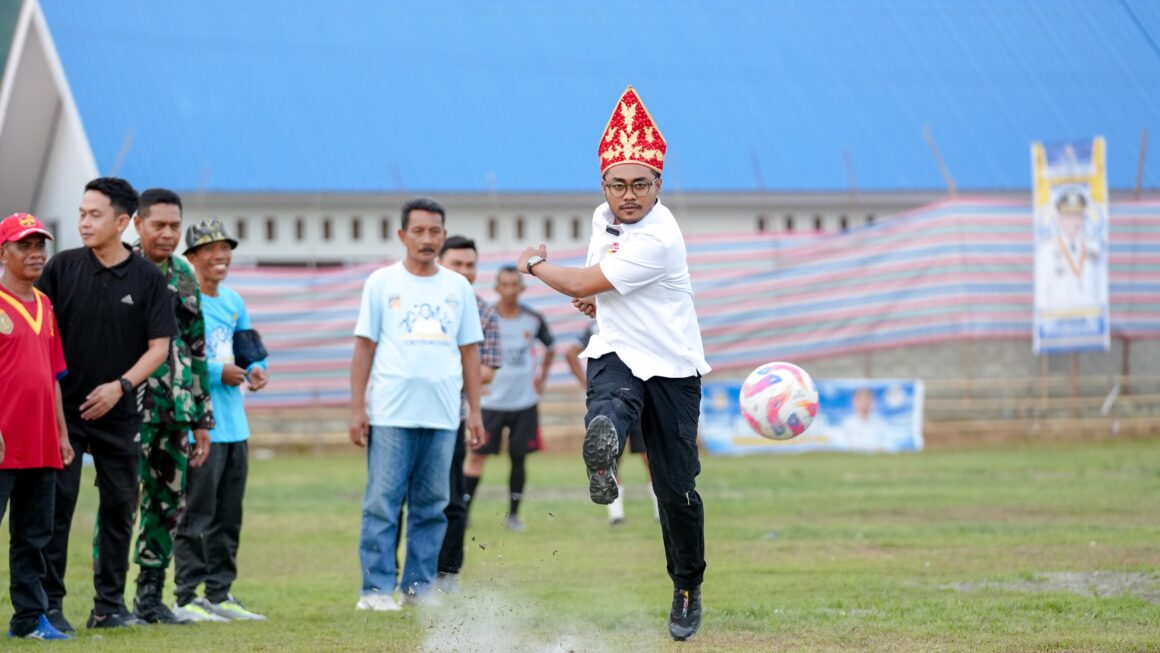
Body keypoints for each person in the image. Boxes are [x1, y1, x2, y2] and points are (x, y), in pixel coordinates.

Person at [516, 86, 711, 641]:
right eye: (619, 184)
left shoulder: (661, 237)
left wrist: (534, 264)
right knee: (609, 398)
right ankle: (604, 443)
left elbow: (579, 279)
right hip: (619, 350)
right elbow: (594, 285)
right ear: (604, 185)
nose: (628, 195)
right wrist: (594, 298)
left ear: (659, 185)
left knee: (676, 492)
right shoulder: (602, 217)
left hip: (672, 367)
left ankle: (687, 585)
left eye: (640, 184)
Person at [36, 177, 176, 631]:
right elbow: (41, 333)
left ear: (122, 222)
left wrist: (120, 386)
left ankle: (109, 607)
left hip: (120, 412)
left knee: (119, 508)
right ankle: (49, 606)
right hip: (66, 413)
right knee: (58, 508)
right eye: (81, 213)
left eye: (94, 215)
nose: (84, 222)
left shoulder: (148, 278)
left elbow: (159, 347)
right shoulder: (61, 268)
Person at [350, 198, 485, 611]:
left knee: (433, 506)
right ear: (402, 235)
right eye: (419, 231)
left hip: (443, 414)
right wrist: (358, 407)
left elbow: (470, 352)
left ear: (443, 235)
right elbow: (364, 347)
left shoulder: (458, 287)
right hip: (391, 412)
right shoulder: (381, 283)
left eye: (435, 232)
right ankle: (375, 590)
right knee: (382, 503)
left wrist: (474, 411)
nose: (427, 239)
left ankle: (419, 587)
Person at [122, 189, 215, 624]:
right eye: (158, 225)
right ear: (137, 224)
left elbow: (198, 348)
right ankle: (108, 601)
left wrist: (201, 418)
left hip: (176, 410)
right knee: (121, 503)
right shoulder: (121, 270)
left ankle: (150, 598)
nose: (168, 233)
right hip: (132, 408)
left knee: (167, 504)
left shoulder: (183, 274)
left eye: (174, 225)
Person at [172, 219, 269, 622]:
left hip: (235, 425)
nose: (221, 256)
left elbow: (248, 349)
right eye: (210, 249)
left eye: (226, 248)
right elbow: (174, 354)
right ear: (191, 257)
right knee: (197, 512)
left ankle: (220, 593)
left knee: (229, 514)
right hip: (200, 424)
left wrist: (259, 368)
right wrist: (217, 372)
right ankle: (185, 596)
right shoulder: (181, 299)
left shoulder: (233, 301)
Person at [0, 213, 74, 640]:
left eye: (40, 245)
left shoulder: (45, 305)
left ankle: (29, 620)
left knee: (33, 537)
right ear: (3, 252)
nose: (35, 254)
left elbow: (52, 377)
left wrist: (62, 435)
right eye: (24, 245)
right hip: (2, 442)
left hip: (42, 441)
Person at [463, 265, 554, 533]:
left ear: (522, 288)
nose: (510, 290)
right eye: (505, 284)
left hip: (523, 403)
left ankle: (513, 516)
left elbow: (551, 346)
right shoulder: (485, 318)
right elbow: (468, 352)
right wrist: (475, 385)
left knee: (519, 458)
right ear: (497, 287)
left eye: (515, 284)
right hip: (490, 404)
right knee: (477, 457)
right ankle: (464, 513)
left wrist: (542, 378)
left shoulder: (533, 319)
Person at [434, 235, 501, 592]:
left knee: (452, 496)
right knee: (400, 499)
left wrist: (441, 372)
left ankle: (447, 573)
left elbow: (488, 369)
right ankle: (394, 580)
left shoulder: (484, 311)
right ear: (440, 262)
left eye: (470, 265)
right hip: (403, 414)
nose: (463, 271)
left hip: (452, 414)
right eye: (456, 263)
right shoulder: (422, 301)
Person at [566, 321, 657, 526]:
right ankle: (621, 513)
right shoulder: (597, 323)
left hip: (622, 394)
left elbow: (570, 352)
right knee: (613, 454)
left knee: (620, 456)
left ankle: (618, 514)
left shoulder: (608, 319)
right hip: (633, 393)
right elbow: (570, 353)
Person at [1035, 191, 1104, 309]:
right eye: (1068, 216)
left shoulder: (1094, 248)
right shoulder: (1046, 251)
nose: (1074, 222)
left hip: (1090, 319)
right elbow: (1043, 291)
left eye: (1078, 216)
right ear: (1058, 220)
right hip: (1057, 320)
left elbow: (1100, 286)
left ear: (1084, 219)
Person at [835, 387, 891, 452]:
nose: (864, 402)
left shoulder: (880, 423)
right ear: (855, 402)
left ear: (872, 401)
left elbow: (886, 444)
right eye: (861, 399)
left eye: (867, 399)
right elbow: (843, 444)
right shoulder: (848, 423)